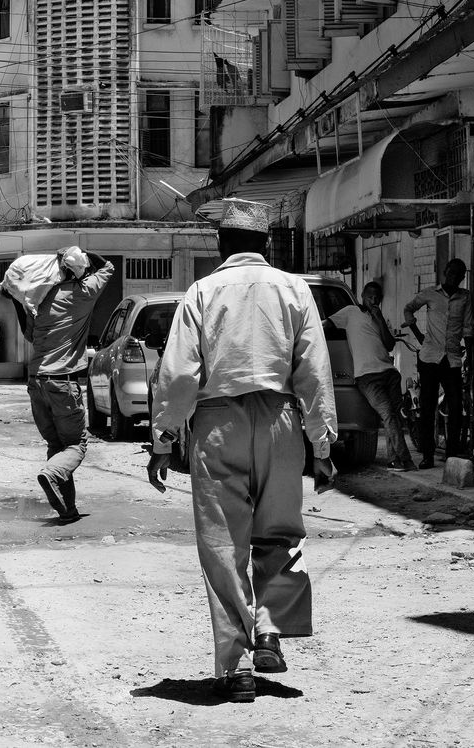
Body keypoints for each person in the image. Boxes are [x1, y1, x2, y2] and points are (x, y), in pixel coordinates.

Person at [146, 198, 338, 703]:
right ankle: (270, 629)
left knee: (223, 546)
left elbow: (179, 372)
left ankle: (236, 669)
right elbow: (314, 370)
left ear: (221, 246)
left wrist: (164, 438)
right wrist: (321, 442)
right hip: (281, 420)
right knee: (279, 531)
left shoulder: (202, 292)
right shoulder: (294, 288)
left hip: (219, 423)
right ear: (266, 246)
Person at [4, 245, 115, 523]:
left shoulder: (38, 300)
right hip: (62, 382)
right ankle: (52, 474)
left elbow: (29, 334)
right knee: (76, 444)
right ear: (76, 270)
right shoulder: (82, 293)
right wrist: (83, 253)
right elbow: (107, 267)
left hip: (36, 383)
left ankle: (67, 509)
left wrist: (18, 303)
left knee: (57, 445)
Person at [324, 280, 416, 470]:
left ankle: (394, 460)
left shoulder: (380, 318)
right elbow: (326, 325)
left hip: (389, 373)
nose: (373, 300)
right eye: (370, 297)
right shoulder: (350, 312)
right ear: (362, 297)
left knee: (395, 418)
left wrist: (380, 318)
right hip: (367, 377)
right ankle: (405, 459)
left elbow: (390, 345)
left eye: (377, 298)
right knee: (388, 414)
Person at [402, 258, 473, 467]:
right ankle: (428, 455)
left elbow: (468, 328)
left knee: (456, 406)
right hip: (429, 357)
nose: (454, 277)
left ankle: (451, 454)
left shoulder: (465, 297)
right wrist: (418, 333)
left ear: (462, 277)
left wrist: (469, 358)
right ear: (445, 272)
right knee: (427, 407)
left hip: (452, 359)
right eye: (451, 273)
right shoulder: (430, 293)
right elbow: (409, 309)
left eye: (458, 274)